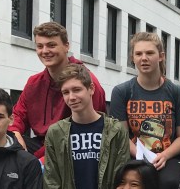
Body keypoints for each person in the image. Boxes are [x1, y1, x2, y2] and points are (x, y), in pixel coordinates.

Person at [108, 32, 180, 189]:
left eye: (149, 53)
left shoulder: (177, 93)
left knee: (167, 182)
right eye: (138, 54)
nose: (144, 58)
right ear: (133, 58)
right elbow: (122, 135)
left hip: (168, 157)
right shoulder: (122, 92)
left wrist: (164, 155)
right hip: (134, 156)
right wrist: (140, 155)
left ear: (161, 56)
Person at [10, 22, 107, 163]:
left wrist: (38, 162)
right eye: (40, 46)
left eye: (51, 45)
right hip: (41, 146)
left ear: (66, 46)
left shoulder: (86, 83)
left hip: (77, 148)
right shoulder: (33, 83)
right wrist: (15, 135)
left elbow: (88, 131)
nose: (45, 51)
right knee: (0, 141)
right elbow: (17, 115)